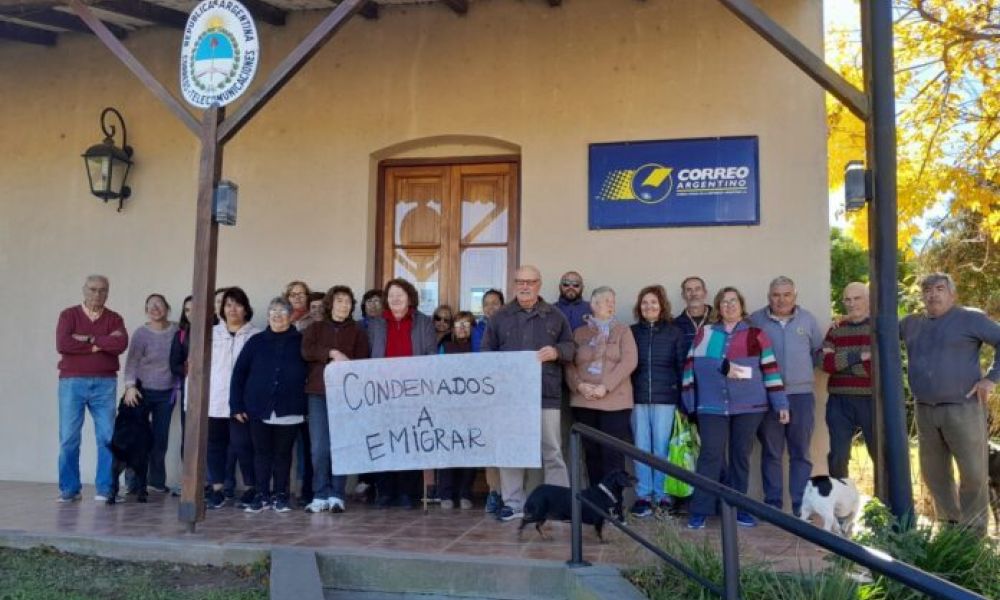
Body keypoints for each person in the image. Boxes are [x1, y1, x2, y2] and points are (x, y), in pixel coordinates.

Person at [901, 273, 1000, 535]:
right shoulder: (911, 323)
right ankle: (950, 529)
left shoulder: (970, 318)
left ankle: (974, 535)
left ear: (952, 294)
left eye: (939, 289)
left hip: (963, 408)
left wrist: (991, 379)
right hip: (925, 410)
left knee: (973, 474)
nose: (933, 294)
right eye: (927, 290)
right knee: (934, 474)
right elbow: (880, 335)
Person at [682, 287, 789, 529]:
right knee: (710, 455)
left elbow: (770, 370)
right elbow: (690, 368)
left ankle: (738, 509)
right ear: (718, 308)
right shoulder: (706, 333)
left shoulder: (756, 335)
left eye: (733, 301)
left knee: (740, 457)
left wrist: (780, 403)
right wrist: (689, 401)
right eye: (724, 302)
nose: (729, 306)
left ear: (741, 305)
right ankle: (701, 509)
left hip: (750, 407)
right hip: (710, 407)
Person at [481, 265, 575, 522]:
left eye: (530, 282)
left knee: (552, 451)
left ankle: (559, 506)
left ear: (539, 284)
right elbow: (486, 353)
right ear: (514, 285)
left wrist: (556, 352)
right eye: (520, 282)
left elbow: (570, 347)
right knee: (511, 449)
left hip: (546, 394)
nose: (525, 286)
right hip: (510, 398)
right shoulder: (500, 317)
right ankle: (513, 504)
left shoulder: (555, 316)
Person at [750, 276, 824, 515]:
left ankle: (800, 506)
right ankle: (773, 504)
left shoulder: (808, 320)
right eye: (776, 295)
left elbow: (817, 353)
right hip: (768, 396)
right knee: (771, 452)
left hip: (801, 395)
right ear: (768, 296)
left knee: (800, 452)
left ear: (795, 296)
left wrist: (799, 374)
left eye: (786, 295)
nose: (781, 300)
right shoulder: (755, 320)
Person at [230, 297, 309, 513]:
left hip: (290, 408)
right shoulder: (256, 341)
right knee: (261, 453)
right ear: (267, 316)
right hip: (258, 408)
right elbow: (239, 374)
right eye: (272, 311)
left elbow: (311, 372)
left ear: (291, 315)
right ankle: (262, 494)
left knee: (283, 455)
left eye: (282, 311)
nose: (276, 315)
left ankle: (281, 495)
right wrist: (236, 405)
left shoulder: (301, 340)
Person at [55, 275, 129, 502]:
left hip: (105, 383)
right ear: (84, 290)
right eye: (93, 289)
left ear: (108, 293)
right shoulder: (69, 315)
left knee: (107, 436)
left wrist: (87, 338)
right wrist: (100, 344)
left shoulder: (115, 318)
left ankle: (106, 488)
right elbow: (63, 344)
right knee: (69, 437)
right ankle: (70, 489)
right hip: (72, 382)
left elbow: (120, 344)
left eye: (103, 290)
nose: (98, 294)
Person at [366, 278, 437, 508]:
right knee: (384, 439)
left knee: (410, 440)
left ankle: (408, 493)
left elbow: (430, 355)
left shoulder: (423, 322)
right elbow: (366, 356)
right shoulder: (375, 324)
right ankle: (385, 491)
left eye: (401, 294)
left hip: (412, 391)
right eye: (391, 295)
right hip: (381, 392)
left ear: (410, 297)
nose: (396, 298)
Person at [301, 285, 369, 514]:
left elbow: (363, 359)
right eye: (339, 301)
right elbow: (306, 351)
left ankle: (337, 494)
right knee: (319, 447)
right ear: (331, 303)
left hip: (346, 396)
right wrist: (330, 353)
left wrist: (347, 362)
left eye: (348, 301)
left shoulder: (358, 331)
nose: (344, 305)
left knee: (342, 446)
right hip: (318, 394)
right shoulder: (315, 328)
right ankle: (319, 493)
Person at [565, 286, 638, 487]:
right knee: (591, 454)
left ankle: (614, 505)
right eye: (606, 301)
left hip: (615, 401)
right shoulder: (579, 332)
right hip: (584, 401)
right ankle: (597, 505)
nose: (611, 305)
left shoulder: (623, 330)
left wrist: (605, 387)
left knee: (612, 454)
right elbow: (568, 363)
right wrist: (579, 386)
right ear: (594, 304)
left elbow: (629, 362)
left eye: (613, 301)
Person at [628, 285, 685, 517]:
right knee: (641, 449)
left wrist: (683, 400)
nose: (648, 306)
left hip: (666, 399)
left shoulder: (674, 332)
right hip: (638, 398)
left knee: (662, 449)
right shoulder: (631, 332)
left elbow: (682, 367)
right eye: (644, 303)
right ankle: (643, 496)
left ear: (662, 306)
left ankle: (663, 496)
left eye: (653, 302)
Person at [206, 287, 260, 509]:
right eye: (228, 305)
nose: (232, 309)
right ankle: (217, 488)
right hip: (214, 399)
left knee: (243, 445)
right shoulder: (210, 334)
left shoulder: (255, 335)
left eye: (237, 304)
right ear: (221, 309)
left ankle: (250, 487)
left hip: (242, 402)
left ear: (246, 309)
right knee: (214, 445)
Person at [122, 293, 178, 494]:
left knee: (160, 439)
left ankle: (156, 482)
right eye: (150, 305)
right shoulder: (141, 334)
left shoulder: (177, 330)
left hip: (167, 393)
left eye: (159, 304)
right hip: (142, 392)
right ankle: (133, 482)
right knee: (137, 437)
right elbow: (132, 363)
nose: (155, 308)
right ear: (146, 310)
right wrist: (130, 386)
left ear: (167, 308)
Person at [821, 282, 875, 479]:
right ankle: (842, 505)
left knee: (879, 454)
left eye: (857, 298)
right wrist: (859, 357)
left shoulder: (877, 328)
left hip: (870, 400)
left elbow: (873, 369)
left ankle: (884, 506)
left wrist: (840, 362)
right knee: (838, 456)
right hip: (838, 401)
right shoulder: (836, 329)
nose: (852, 304)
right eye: (847, 299)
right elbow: (825, 364)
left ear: (869, 299)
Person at [437, 311, 478, 510]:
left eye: (467, 324)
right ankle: (446, 493)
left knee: (469, 446)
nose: (462, 328)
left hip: (472, 406)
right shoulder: (444, 347)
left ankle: (465, 493)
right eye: (458, 323)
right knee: (447, 446)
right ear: (452, 328)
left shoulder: (478, 348)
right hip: (448, 405)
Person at [471, 288, 505, 514]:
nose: (491, 307)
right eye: (487, 303)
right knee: (490, 445)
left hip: (507, 394)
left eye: (495, 303)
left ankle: (511, 493)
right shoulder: (476, 331)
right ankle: (494, 492)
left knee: (508, 443)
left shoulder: (510, 326)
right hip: (483, 395)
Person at [284, 280, 314, 505]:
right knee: (283, 444)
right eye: (293, 294)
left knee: (306, 443)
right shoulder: (281, 320)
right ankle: (284, 488)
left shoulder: (313, 321)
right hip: (285, 389)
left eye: (301, 294)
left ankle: (304, 488)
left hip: (307, 387)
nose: (297, 298)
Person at [169, 295, 193, 460]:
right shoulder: (181, 335)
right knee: (189, 433)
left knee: (216, 437)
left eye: (195, 308)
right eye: (187, 310)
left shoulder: (218, 330)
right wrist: (188, 369)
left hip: (217, 391)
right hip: (190, 389)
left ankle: (215, 482)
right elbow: (174, 365)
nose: (191, 313)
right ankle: (189, 479)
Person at [675, 276, 712, 356]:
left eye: (697, 289)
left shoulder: (718, 320)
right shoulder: (674, 325)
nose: (693, 294)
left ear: (705, 293)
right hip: (686, 368)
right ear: (683, 295)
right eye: (689, 290)